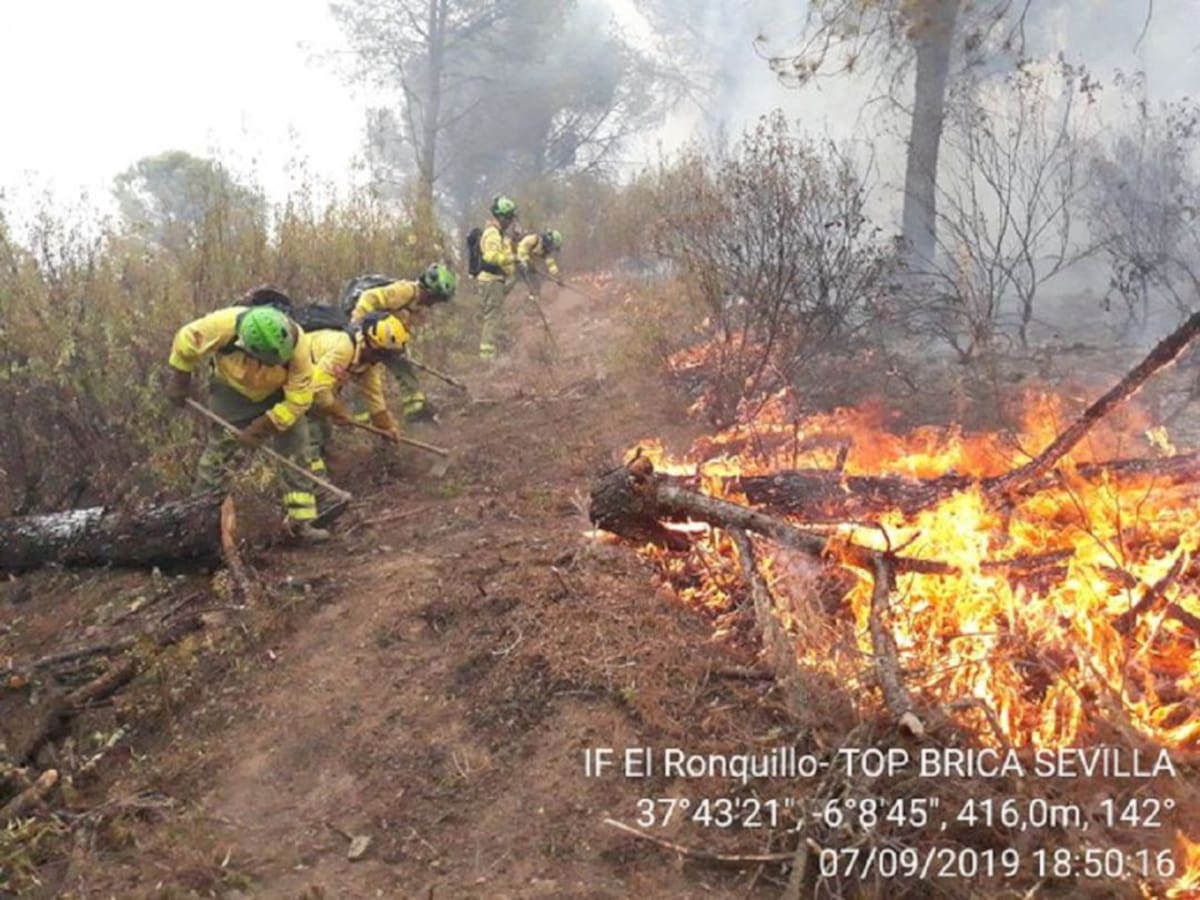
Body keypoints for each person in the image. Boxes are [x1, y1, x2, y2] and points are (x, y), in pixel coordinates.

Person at [164, 290, 329, 543]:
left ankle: (299, 524)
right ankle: (198, 522)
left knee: (295, 451)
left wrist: (262, 428)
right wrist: (180, 379)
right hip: (232, 390)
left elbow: (299, 398)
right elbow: (186, 341)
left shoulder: (299, 345)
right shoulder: (221, 325)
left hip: (279, 393)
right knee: (219, 453)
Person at [343, 263, 457, 421]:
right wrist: (356, 327)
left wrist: (400, 348)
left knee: (404, 368)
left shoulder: (417, 305)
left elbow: (402, 327)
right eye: (435, 298)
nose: (433, 304)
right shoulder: (405, 291)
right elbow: (369, 298)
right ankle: (361, 423)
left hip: (385, 340)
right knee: (361, 373)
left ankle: (415, 414)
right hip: (367, 335)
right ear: (428, 290)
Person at [305, 312, 408, 476]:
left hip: (313, 387)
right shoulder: (343, 348)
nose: (383, 360)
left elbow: (375, 399)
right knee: (309, 432)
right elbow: (318, 390)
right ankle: (315, 485)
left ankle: (331, 471)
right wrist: (339, 411)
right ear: (370, 344)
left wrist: (387, 427)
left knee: (323, 430)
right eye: (382, 354)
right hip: (295, 380)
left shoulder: (368, 363)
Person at [476, 195, 519, 360]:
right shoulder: (493, 233)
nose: (509, 222)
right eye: (508, 218)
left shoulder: (499, 234)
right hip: (491, 280)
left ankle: (494, 352)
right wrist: (511, 259)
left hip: (495, 281)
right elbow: (491, 256)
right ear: (501, 217)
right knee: (492, 319)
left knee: (495, 317)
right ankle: (488, 359)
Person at [516, 228, 563, 299]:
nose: (552, 249)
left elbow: (551, 264)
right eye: (553, 247)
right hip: (517, 262)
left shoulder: (546, 251)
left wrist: (558, 277)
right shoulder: (533, 239)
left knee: (536, 285)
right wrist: (527, 261)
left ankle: (532, 302)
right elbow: (521, 249)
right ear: (550, 241)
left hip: (527, 267)